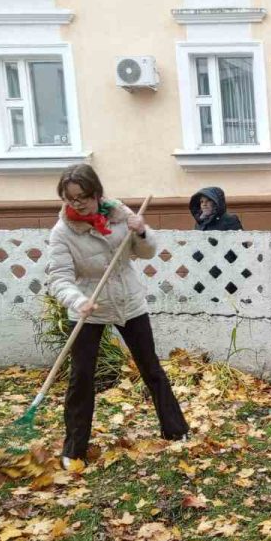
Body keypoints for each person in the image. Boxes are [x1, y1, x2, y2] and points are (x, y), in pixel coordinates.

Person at [46, 163, 189, 471]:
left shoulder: (120, 215)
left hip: (128, 300)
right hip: (89, 307)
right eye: (70, 198)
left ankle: (176, 430)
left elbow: (146, 252)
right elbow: (58, 277)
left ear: (97, 193)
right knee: (81, 377)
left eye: (83, 196)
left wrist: (142, 231)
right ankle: (74, 449)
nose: (77, 203)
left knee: (150, 368)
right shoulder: (62, 232)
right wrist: (78, 300)